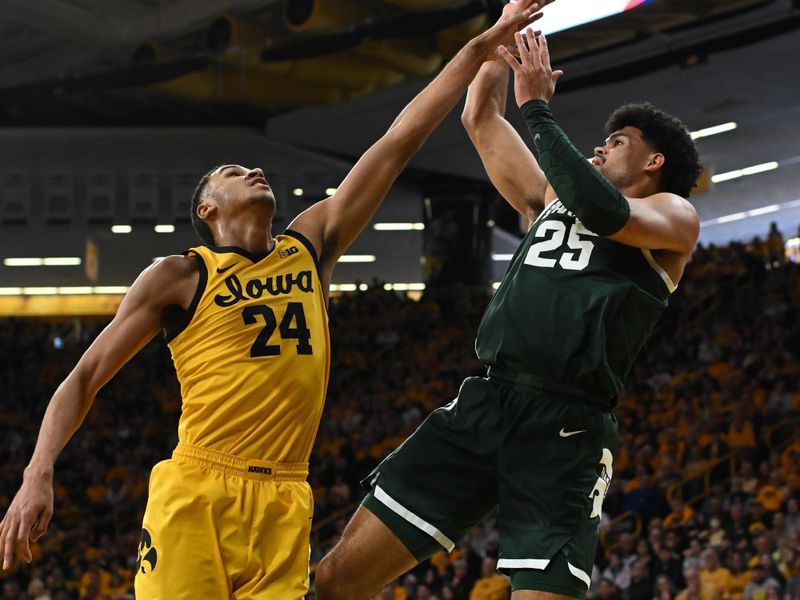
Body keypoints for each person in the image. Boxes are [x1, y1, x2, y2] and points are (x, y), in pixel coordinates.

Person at [0, 2, 550, 597]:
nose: (255, 168)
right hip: (199, 489)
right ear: (206, 210)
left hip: (286, 495)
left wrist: (481, 47)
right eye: (234, 171)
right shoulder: (180, 275)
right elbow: (82, 378)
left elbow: (400, 139)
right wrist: (38, 472)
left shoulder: (310, 245)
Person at [315, 27, 701, 600]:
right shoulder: (550, 197)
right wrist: (503, 36)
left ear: (655, 161)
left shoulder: (672, 216)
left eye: (616, 141)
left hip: (565, 425)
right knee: (336, 580)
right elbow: (479, 116)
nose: (599, 148)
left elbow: (602, 208)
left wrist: (538, 107)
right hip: (487, 400)